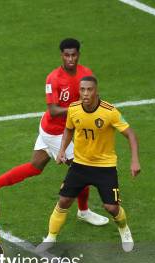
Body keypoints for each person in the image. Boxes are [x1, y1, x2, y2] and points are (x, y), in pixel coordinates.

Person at [0, 38, 108, 227]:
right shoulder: (53, 78)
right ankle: (84, 211)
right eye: (67, 55)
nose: (70, 59)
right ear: (61, 55)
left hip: (59, 130)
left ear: (78, 55)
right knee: (82, 169)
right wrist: (79, 108)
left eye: (74, 55)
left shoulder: (86, 75)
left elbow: (94, 98)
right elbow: (53, 110)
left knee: (35, 166)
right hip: (55, 131)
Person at [37, 76, 140, 252]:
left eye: (89, 90)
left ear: (96, 91)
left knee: (111, 207)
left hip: (105, 167)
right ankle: (51, 238)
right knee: (64, 200)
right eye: (82, 89)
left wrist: (135, 160)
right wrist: (62, 151)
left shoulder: (110, 112)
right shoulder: (74, 109)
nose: (85, 93)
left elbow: (130, 134)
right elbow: (69, 129)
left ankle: (124, 229)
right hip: (80, 164)